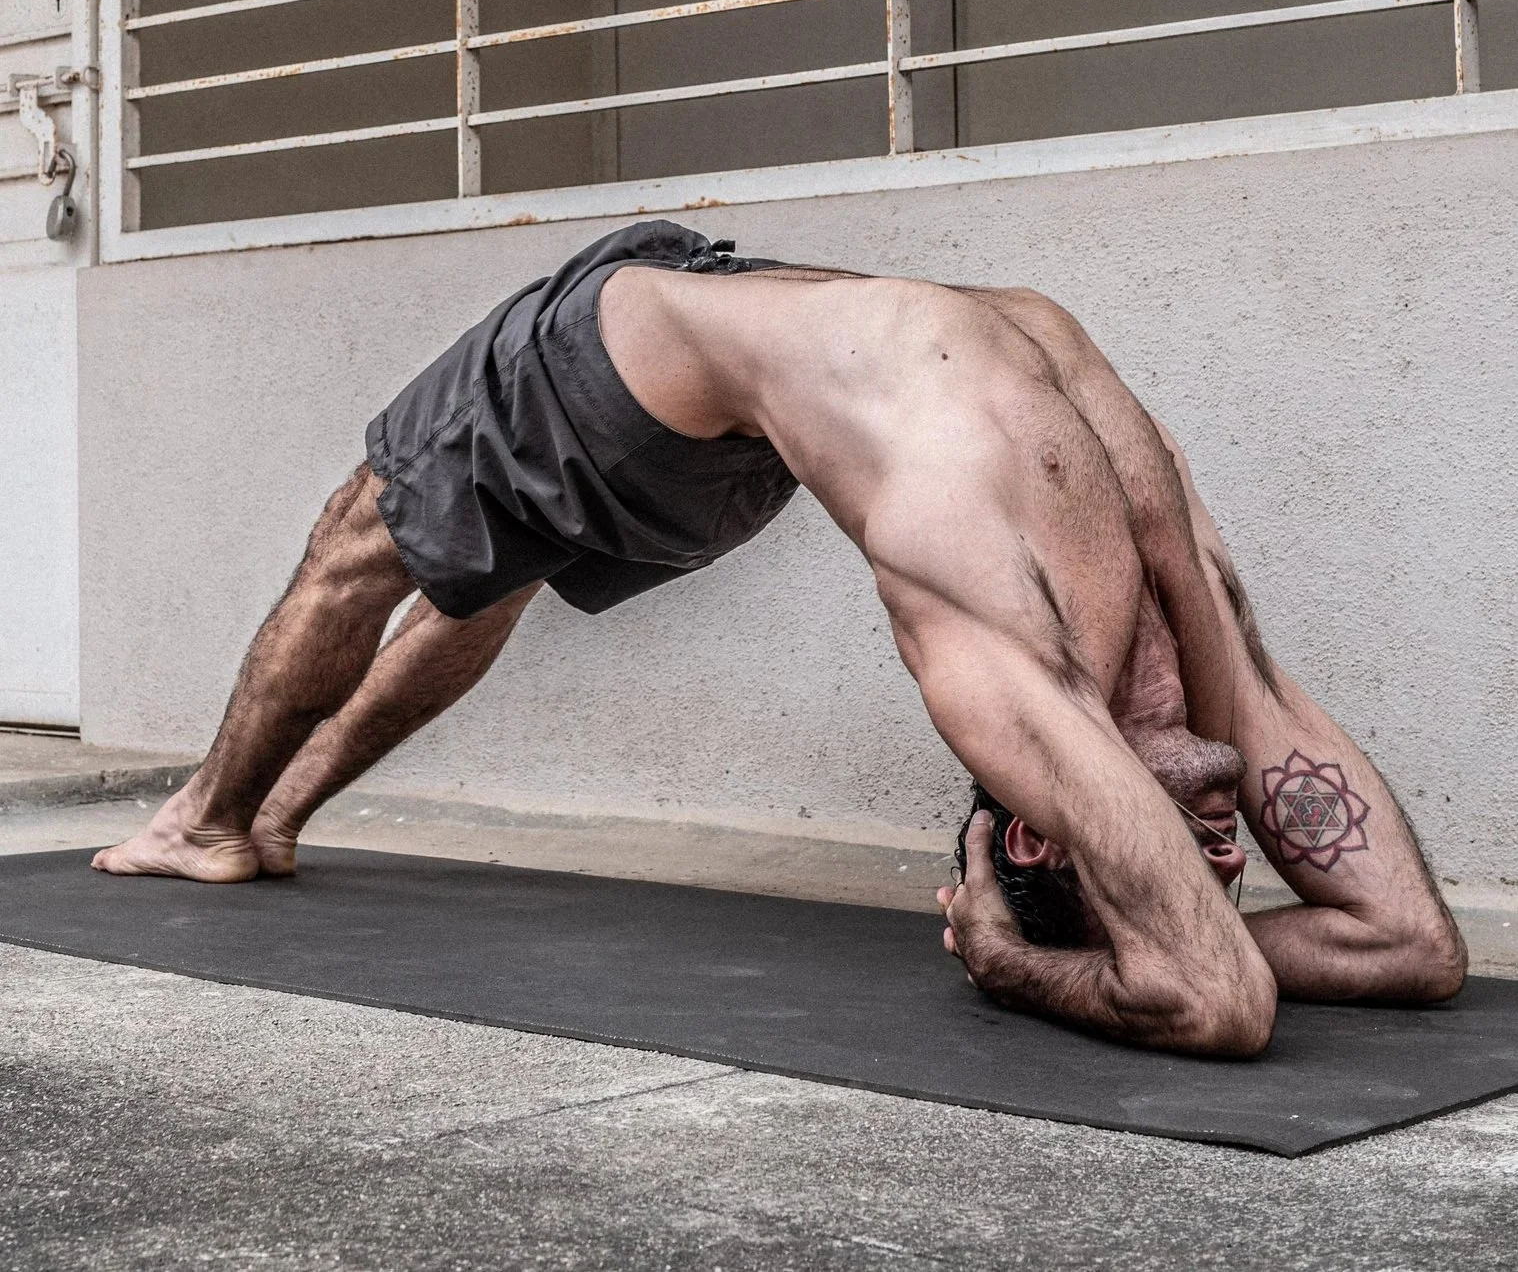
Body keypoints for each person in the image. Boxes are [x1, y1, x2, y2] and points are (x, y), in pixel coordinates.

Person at [92, 221, 1466, 1056]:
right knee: (430, 545)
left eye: (1185, 859)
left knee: (413, 541)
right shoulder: (1150, 650)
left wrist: (1018, 956)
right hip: (706, 340)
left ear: (1042, 832)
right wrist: (1074, 943)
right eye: (1221, 859)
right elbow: (1318, 965)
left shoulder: (1033, 673)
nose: (1221, 850)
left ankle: (230, 816)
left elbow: (1255, 983)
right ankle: (235, 814)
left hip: (722, 361)